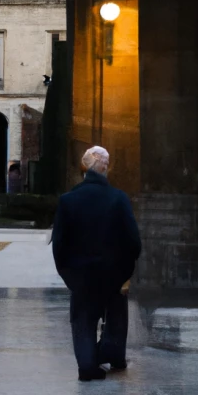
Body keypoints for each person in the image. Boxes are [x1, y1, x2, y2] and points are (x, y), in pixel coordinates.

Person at [51, 146, 141, 382]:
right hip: (113, 272)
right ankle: (113, 356)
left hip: (80, 274)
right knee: (116, 315)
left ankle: (87, 366)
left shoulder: (68, 200)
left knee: (82, 320)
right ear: (105, 167)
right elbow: (133, 240)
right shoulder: (118, 198)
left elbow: (59, 245)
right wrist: (125, 270)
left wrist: (68, 274)